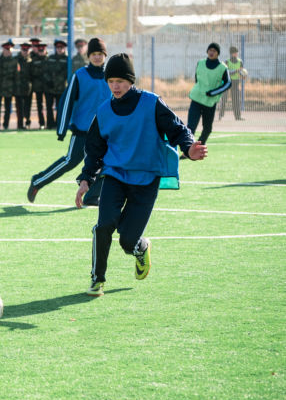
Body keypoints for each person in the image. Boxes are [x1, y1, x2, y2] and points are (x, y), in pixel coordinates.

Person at [75, 53, 208, 296]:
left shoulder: (151, 103)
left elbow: (177, 129)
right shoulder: (104, 111)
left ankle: (140, 246)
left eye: (120, 81)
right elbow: (94, 149)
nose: (115, 86)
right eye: (111, 81)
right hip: (115, 175)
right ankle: (97, 279)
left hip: (146, 179)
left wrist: (189, 148)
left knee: (127, 241)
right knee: (103, 225)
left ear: (131, 81)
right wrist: (86, 179)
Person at [27, 38, 111, 206]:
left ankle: (92, 196)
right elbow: (67, 101)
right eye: (94, 54)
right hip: (82, 130)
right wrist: (62, 128)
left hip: (104, 131)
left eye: (100, 54)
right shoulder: (80, 75)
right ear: (89, 56)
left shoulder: (111, 76)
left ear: (105, 55)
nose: (97, 57)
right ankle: (38, 181)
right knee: (70, 161)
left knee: (108, 163)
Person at [186, 42, 230, 145]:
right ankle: (187, 149)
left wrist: (214, 92)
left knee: (207, 128)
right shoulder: (200, 63)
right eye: (210, 50)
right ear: (207, 51)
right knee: (191, 127)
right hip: (196, 99)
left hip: (209, 103)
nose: (211, 52)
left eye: (214, 51)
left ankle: (199, 148)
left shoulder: (223, 67)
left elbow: (228, 84)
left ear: (218, 53)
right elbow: (197, 79)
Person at [44, 39, 68, 129]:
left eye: (61, 47)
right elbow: (45, 71)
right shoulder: (50, 58)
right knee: (49, 107)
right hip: (49, 88)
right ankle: (50, 124)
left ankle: (58, 124)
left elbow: (66, 73)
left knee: (60, 107)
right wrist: (49, 80)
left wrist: (57, 81)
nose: (59, 49)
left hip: (61, 88)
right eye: (58, 47)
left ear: (64, 48)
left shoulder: (67, 59)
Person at [219, 46, 245, 121]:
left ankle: (237, 116)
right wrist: (236, 71)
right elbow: (226, 72)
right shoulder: (227, 62)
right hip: (227, 82)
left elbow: (241, 72)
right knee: (224, 99)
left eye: (237, 52)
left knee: (236, 100)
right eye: (235, 53)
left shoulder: (240, 62)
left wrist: (243, 76)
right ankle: (221, 115)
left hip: (236, 82)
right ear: (231, 54)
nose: (236, 54)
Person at [29, 42, 49, 129]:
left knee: (49, 106)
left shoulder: (49, 60)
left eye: (42, 50)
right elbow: (33, 72)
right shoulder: (34, 60)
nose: (41, 52)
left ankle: (50, 123)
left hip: (48, 86)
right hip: (38, 87)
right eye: (40, 50)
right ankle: (41, 123)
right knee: (39, 105)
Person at [14, 42, 32, 130]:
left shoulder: (31, 60)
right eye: (24, 50)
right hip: (18, 88)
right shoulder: (16, 60)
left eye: (27, 50)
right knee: (19, 108)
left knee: (27, 107)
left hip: (28, 88)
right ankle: (20, 124)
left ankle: (27, 122)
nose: (25, 52)